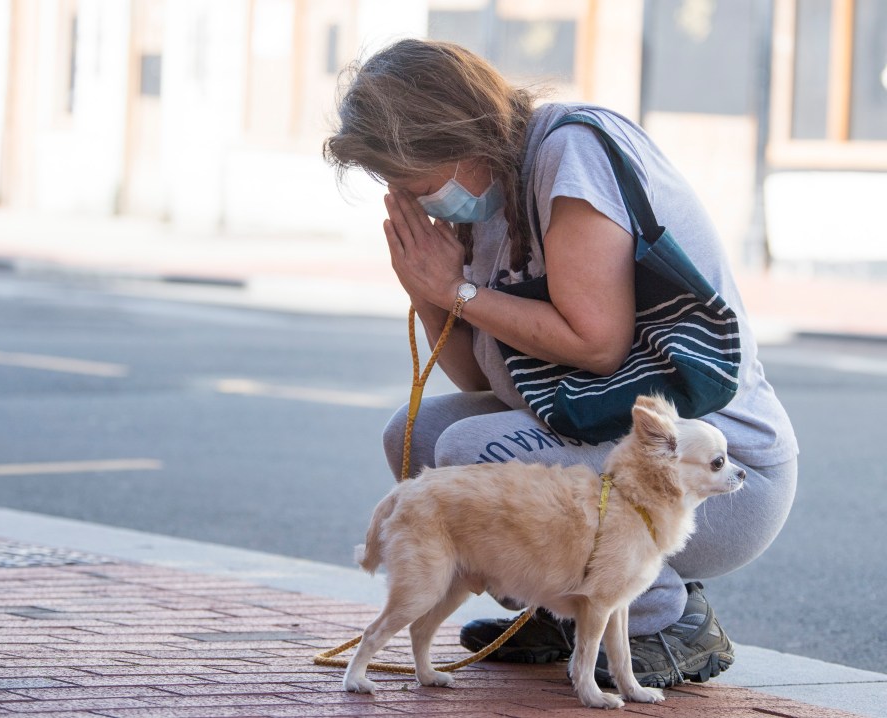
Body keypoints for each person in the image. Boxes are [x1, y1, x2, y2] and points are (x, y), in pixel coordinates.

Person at [323, 38, 798, 688]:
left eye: (420, 186)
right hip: (600, 445)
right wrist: (428, 292)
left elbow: (596, 343)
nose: (421, 204)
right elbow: (484, 380)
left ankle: (662, 623)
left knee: (466, 449)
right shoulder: (491, 194)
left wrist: (457, 292)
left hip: (712, 461)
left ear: (463, 139)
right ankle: (567, 605)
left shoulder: (569, 153)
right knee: (418, 437)